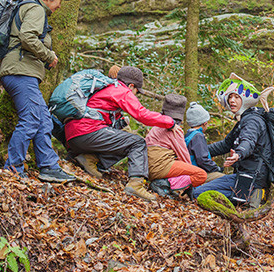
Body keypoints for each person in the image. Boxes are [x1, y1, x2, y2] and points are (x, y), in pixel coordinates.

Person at [0, 0, 76, 183]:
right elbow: (28, 37)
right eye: (59, 0)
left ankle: (49, 166)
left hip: (22, 72)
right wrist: (49, 56)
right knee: (31, 119)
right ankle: (13, 168)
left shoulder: (29, 7)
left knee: (43, 120)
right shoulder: (36, 9)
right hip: (20, 72)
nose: (60, 5)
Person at [64, 66, 176, 200]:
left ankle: (89, 159)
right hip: (87, 132)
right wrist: (170, 122)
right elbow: (142, 115)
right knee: (138, 143)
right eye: (137, 91)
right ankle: (136, 185)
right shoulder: (121, 91)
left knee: (124, 139)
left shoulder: (107, 88)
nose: (135, 94)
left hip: (74, 135)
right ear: (131, 86)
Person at [190, 77, 273, 206]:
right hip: (243, 177)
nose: (232, 100)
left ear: (245, 99)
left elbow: (248, 141)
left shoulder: (252, 121)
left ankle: (250, 197)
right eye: (230, 97)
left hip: (252, 179)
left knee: (198, 194)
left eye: (236, 97)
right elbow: (224, 145)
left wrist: (238, 154)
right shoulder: (243, 120)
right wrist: (195, 150)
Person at [145, 94, 208, 190]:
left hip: (147, 168)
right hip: (160, 167)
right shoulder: (175, 130)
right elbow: (183, 156)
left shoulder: (155, 127)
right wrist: (190, 178)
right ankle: (165, 184)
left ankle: (165, 185)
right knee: (201, 175)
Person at [182, 102, 224, 182]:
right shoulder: (198, 136)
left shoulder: (188, 135)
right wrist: (216, 168)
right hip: (197, 173)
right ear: (204, 123)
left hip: (190, 171)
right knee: (225, 179)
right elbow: (202, 159)